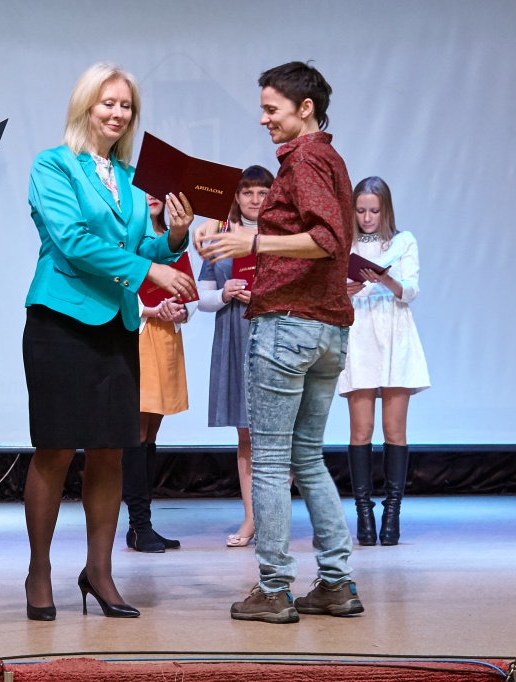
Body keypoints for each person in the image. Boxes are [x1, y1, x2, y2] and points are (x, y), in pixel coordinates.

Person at [22, 62, 197, 621]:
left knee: (111, 451)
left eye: (126, 106)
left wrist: (174, 236)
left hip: (117, 327)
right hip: (60, 321)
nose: (118, 113)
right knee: (54, 449)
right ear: (86, 106)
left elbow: (144, 247)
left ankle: (99, 572)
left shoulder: (130, 176)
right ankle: (39, 572)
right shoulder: (52, 165)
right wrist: (150, 271)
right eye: (109, 103)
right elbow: (72, 242)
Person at [198, 61, 364, 624]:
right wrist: (237, 238)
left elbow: (327, 238)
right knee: (306, 457)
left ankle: (274, 588)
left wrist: (255, 241)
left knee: (270, 460)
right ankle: (336, 584)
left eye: (272, 109)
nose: (263, 118)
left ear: (305, 109)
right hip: (326, 329)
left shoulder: (307, 158)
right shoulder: (329, 158)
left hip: (290, 325)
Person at [340, 176, 429, 546]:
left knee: (395, 431)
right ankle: (364, 515)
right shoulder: (345, 243)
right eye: (360, 210)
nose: (366, 217)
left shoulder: (403, 241)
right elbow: (330, 290)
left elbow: (410, 290)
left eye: (374, 210)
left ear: (386, 209)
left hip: (395, 333)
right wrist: (346, 289)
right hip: (359, 332)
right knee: (361, 430)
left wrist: (384, 281)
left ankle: (392, 515)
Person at [193, 165, 274, 548]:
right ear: (236, 197)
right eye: (248, 193)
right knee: (245, 433)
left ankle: (272, 518)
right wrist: (225, 294)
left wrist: (264, 294)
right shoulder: (220, 234)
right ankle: (251, 518)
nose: (255, 200)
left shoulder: (283, 236)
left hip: (273, 334)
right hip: (234, 334)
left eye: (262, 193)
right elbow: (202, 297)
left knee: (277, 434)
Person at [122, 194, 192, 554]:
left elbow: (188, 295)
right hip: (137, 335)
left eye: (157, 190)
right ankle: (138, 525)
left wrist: (181, 311)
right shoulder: (126, 233)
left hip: (165, 338)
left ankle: (143, 524)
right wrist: (151, 310)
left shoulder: (173, 240)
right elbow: (117, 282)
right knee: (136, 433)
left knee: (150, 435)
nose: (151, 196)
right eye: (144, 189)